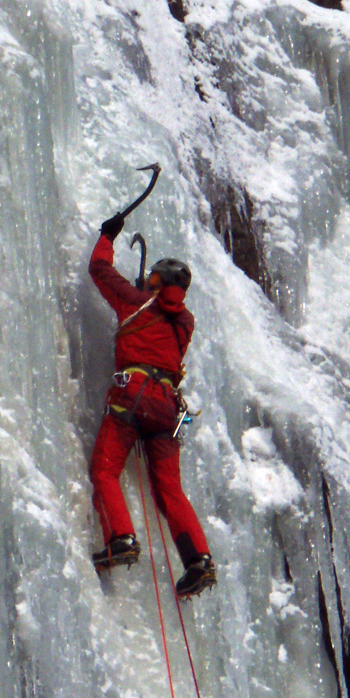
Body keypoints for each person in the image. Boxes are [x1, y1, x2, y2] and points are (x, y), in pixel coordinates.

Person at [88, 211, 216, 599]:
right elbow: (165, 318)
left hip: (134, 396)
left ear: (157, 282)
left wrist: (108, 234)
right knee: (169, 490)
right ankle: (198, 561)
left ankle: (121, 537)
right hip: (168, 409)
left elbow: (99, 269)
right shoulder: (185, 323)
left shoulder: (135, 302)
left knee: (105, 469)